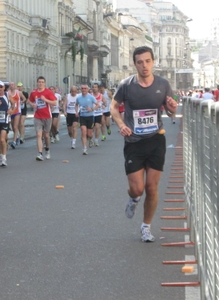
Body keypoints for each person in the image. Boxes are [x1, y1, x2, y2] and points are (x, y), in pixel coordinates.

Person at [110, 46, 178, 243]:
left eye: (147, 61)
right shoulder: (126, 85)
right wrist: (121, 124)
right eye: (140, 62)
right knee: (138, 188)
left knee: (152, 187)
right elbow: (113, 106)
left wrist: (172, 109)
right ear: (135, 64)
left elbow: (171, 111)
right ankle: (133, 198)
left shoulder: (163, 84)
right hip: (134, 141)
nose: (144, 65)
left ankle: (146, 226)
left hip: (156, 139)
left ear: (153, 61)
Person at [29, 76, 57, 161]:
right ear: (37, 83)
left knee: (46, 135)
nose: (40, 83)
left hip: (47, 116)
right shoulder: (34, 93)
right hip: (37, 116)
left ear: (44, 83)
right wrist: (32, 104)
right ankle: (40, 153)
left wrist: (45, 100)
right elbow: (29, 100)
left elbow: (55, 102)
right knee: (38, 135)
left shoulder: (48, 92)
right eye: (39, 82)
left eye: (42, 82)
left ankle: (47, 150)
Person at [0, 80, 15, 166]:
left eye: (1, 87)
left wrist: (11, 109)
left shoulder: (7, 95)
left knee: (2, 139)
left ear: (4, 87)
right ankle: (1, 154)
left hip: (5, 120)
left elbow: (13, 104)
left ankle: (4, 158)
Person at [75, 84, 99, 155]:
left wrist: (92, 109)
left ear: (87, 89)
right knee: (83, 132)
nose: (84, 90)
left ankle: (91, 139)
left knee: (89, 134)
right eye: (82, 88)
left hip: (90, 116)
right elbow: (76, 105)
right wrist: (76, 112)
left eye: (85, 88)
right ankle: (85, 149)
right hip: (82, 117)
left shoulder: (91, 97)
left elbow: (98, 105)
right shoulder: (78, 98)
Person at [7, 82, 26, 149]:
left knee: (15, 126)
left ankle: (14, 142)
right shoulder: (7, 93)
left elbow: (24, 98)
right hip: (11, 112)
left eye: (12, 85)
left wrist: (22, 101)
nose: (11, 86)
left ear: (14, 86)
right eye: (10, 85)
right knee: (13, 127)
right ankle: (17, 137)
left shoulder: (18, 92)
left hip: (17, 111)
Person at [91, 82, 106, 146]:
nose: (94, 88)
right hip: (91, 114)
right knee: (92, 128)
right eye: (93, 87)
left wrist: (104, 105)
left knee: (97, 126)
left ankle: (96, 140)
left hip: (98, 113)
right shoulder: (90, 95)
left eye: (95, 87)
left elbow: (105, 102)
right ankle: (91, 139)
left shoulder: (101, 95)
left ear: (98, 88)